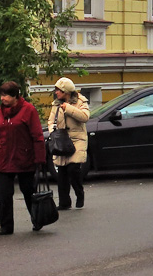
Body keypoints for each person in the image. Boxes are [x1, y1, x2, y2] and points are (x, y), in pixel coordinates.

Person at [0, 80, 45, 236]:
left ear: (15, 96)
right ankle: (6, 226)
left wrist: (40, 160)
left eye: (5, 96)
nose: (2, 99)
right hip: (4, 159)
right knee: (4, 193)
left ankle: (37, 220)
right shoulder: (0, 112)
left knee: (28, 191)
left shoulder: (29, 110)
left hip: (24, 158)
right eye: (1, 95)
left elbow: (37, 136)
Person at [48, 77, 90, 210]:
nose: (56, 93)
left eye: (58, 90)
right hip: (61, 139)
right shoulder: (56, 104)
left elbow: (85, 117)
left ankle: (79, 193)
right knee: (62, 171)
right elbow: (50, 121)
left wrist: (69, 108)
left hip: (77, 139)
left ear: (66, 91)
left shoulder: (80, 101)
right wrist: (52, 132)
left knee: (73, 168)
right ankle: (64, 202)